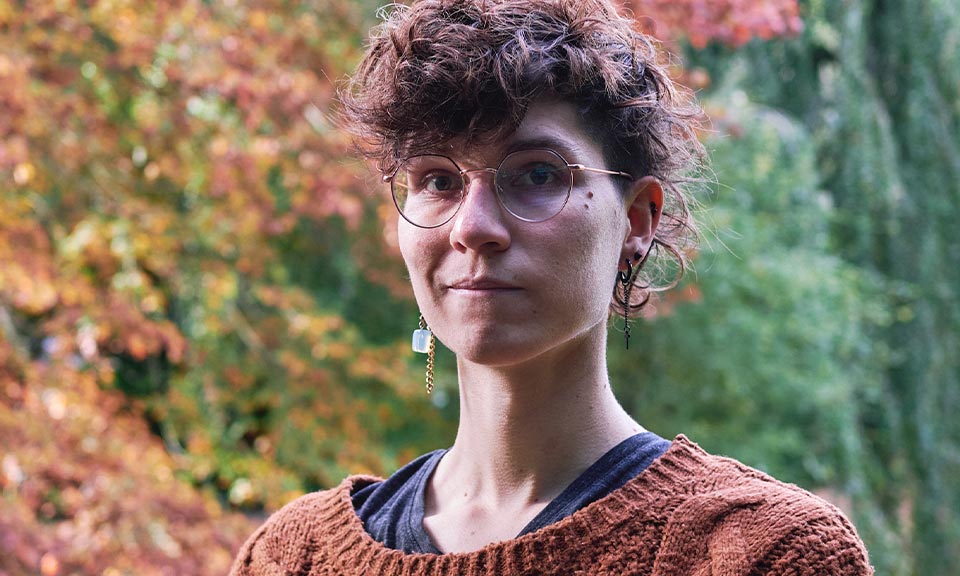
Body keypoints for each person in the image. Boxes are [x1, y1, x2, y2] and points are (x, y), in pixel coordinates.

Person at [229, 0, 873, 574]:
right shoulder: (294, 557)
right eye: (436, 180)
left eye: (536, 173)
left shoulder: (761, 554)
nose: (473, 229)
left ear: (636, 221)